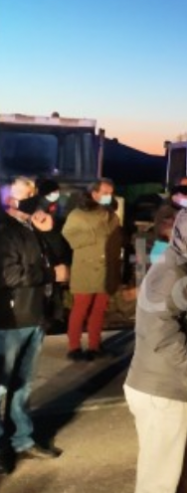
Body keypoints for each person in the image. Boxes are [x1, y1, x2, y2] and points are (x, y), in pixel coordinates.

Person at [125, 207, 187, 493]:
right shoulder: (171, 271)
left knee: (179, 478)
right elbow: (158, 328)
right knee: (160, 484)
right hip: (167, 391)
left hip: (184, 389)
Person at [0, 201, 69, 475]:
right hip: (10, 320)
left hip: (35, 316)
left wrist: (50, 233)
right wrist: (51, 274)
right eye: (23, 193)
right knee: (2, 387)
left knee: (22, 386)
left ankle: (21, 440)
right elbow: (8, 274)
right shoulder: (5, 230)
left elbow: (62, 255)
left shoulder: (31, 228)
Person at [62, 178, 124, 361]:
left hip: (106, 270)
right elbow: (69, 235)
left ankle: (94, 346)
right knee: (80, 308)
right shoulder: (78, 214)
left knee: (99, 309)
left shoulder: (112, 215)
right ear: (94, 193)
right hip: (86, 268)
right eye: (105, 192)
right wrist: (92, 236)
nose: (108, 196)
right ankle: (74, 347)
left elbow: (115, 240)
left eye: (110, 192)